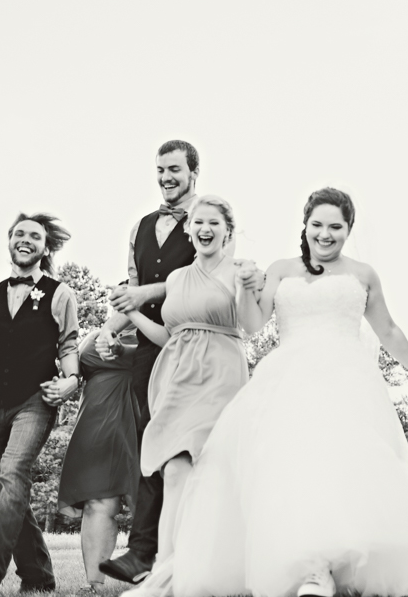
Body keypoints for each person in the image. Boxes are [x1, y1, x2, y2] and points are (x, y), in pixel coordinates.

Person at [125, 187, 408, 597]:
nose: (325, 234)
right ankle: (306, 566)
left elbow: (389, 331)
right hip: (288, 380)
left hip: (347, 382)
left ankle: (328, 567)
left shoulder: (363, 274)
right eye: (317, 225)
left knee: (338, 469)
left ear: (348, 229)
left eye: (335, 227)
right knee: (293, 471)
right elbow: (252, 325)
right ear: (304, 226)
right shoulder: (281, 269)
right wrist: (245, 288)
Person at [95, 141, 261, 585]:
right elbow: (135, 287)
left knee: (195, 454)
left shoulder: (216, 234)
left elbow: (215, 293)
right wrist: (112, 328)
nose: (166, 177)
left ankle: (152, 552)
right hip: (163, 348)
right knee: (156, 447)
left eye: (174, 169)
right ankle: (153, 555)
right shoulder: (141, 227)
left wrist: (139, 297)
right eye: (160, 169)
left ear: (193, 172)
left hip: (213, 358)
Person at [0, 213, 82, 597]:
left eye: (34, 236)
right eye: (19, 234)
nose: (26, 240)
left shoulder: (60, 293)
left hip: (37, 400)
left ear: (46, 246)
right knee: (7, 486)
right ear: (9, 240)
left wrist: (71, 380)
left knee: (12, 472)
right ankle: (38, 576)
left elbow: (69, 345)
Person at [123, 194, 252, 568]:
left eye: (214, 223)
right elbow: (169, 334)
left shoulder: (238, 271)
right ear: (189, 229)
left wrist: (250, 285)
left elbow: (249, 324)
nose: (205, 229)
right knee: (174, 469)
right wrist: (133, 313)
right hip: (177, 377)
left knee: (208, 465)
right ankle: (170, 569)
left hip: (219, 374)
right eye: (198, 222)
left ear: (227, 231)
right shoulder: (177, 278)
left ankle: (201, 564)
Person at [57, 324, 141, 595]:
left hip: (141, 417)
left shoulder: (160, 327)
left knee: (148, 501)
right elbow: (70, 365)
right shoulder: (98, 333)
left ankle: (165, 577)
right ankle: (93, 584)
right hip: (96, 421)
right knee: (97, 501)